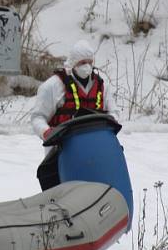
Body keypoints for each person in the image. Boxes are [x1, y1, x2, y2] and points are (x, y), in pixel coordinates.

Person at [30, 39, 114, 190]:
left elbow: (114, 114)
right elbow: (37, 117)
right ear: (73, 63)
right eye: (82, 62)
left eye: (89, 62)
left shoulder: (103, 86)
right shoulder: (52, 86)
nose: (86, 66)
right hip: (61, 153)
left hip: (95, 151)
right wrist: (47, 132)